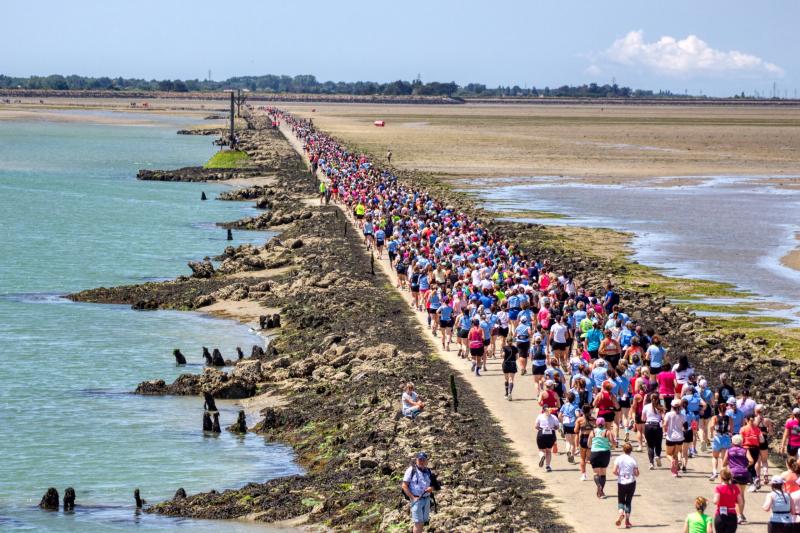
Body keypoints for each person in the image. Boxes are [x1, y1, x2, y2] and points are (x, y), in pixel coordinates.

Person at [401, 452, 435, 533]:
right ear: (416, 460)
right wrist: (413, 497)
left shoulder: (428, 471)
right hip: (416, 500)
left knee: (422, 522)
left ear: (426, 461)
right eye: (420, 459)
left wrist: (431, 488)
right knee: (418, 523)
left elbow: (435, 485)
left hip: (427, 499)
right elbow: (404, 485)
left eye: (423, 460)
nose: (421, 461)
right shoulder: (411, 470)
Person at [723, 434, 753, 524]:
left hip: (733, 474)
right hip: (743, 473)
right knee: (741, 495)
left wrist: (730, 465)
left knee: (735, 495)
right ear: (741, 442)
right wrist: (745, 466)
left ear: (732, 442)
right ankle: (740, 515)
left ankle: (735, 515)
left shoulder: (729, 450)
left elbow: (724, 463)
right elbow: (751, 460)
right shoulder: (745, 450)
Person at [613, 442, 639, 528]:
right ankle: (627, 521)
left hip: (621, 482)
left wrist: (620, 475)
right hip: (631, 482)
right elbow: (637, 473)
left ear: (623, 450)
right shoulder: (633, 460)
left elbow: (614, 471)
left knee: (621, 500)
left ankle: (621, 513)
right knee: (628, 501)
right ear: (631, 450)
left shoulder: (619, 458)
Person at [589, 417, 616, 498]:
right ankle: (601, 491)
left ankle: (598, 486)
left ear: (596, 424)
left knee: (595, 473)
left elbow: (588, 444)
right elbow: (613, 443)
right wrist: (611, 447)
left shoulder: (592, 432)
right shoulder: (607, 432)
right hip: (605, 453)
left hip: (594, 453)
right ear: (604, 424)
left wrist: (594, 446)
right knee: (603, 473)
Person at [714, 468, 744, 533]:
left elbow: (716, 501)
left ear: (721, 478)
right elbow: (741, 502)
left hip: (720, 514)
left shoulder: (718, 488)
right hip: (732, 515)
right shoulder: (735, 487)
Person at [710, 402, 733, 481]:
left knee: (715, 457)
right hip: (726, 438)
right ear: (726, 409)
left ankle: (714, 472)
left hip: (718, 438)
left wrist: (712, 434)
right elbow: (731, 430)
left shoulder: (715, 417)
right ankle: (723, 477)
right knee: (724, 459)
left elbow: (712, 426)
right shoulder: (729, 418)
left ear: (718, 409)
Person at [664, 398, 686, 477]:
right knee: (675, 454)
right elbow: (685, 426)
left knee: (668, 454)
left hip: (671, 437)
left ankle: (672, 461)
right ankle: (675, 472)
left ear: (672, 406)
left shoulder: (668, 414)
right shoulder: (682, 415)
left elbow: (665, 424)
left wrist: (665, 432)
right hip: (680, 438)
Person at [642, 392, 665, 469]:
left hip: (648, 425)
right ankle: (657, 455)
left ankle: (651, 463)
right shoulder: (660, 407)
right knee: (658, 443)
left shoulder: (646, 406)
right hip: (657, 426)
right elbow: (663, 417)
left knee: (650, 445)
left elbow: (643, 418)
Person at [535, 408, 560, 472]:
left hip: (541, 433)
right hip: (551, 434)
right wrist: (552, 428)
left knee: (541, 450)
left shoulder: (540, 416)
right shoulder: (554, 417)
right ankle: (547, 466)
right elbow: (557, 427)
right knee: (548, 451)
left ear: (543, 410)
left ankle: (542, 456)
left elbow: (536, 426)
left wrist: (541, 428)